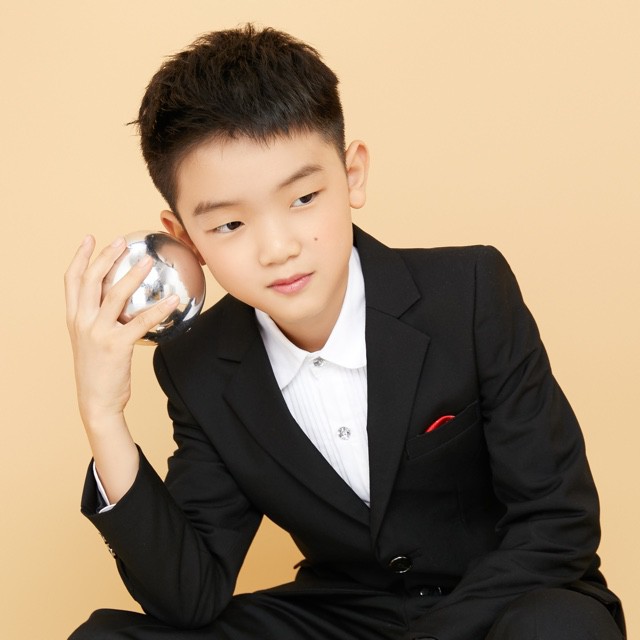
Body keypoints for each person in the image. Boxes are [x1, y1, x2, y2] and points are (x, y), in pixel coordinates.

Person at [64, 24, 625, 640]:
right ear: (185, 237)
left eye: (303, 198)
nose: (277, 248)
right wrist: (102, 415)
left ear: (352, 175)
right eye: (229, 225)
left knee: (559, 629)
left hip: (505, 601)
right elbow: (188, 597)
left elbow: (557, 525)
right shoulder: (197, 364)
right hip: (348, 613)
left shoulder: (467, 291)